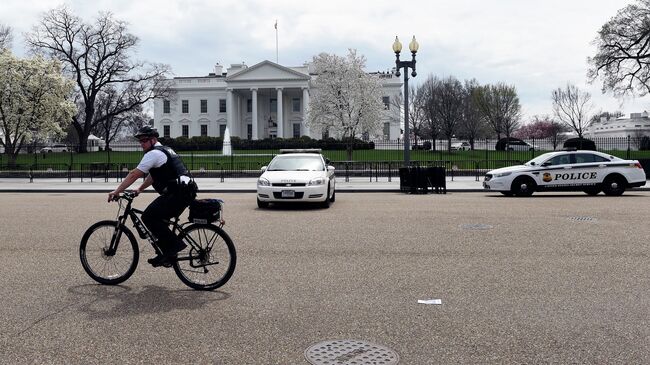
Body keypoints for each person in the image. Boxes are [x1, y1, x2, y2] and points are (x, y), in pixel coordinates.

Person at [108, 126, 197, 267]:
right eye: (140, 141)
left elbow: (133, 174)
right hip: (186, 190)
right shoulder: (165, 150)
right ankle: (167, 253)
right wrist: (139, 189)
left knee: (149, 217)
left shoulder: (154, 154)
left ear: (153, 139)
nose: (141, 144)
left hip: (178, 193)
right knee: (160, 219)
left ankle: (173, 248)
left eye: (144, 140)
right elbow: (153, 176)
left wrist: (117, 191)